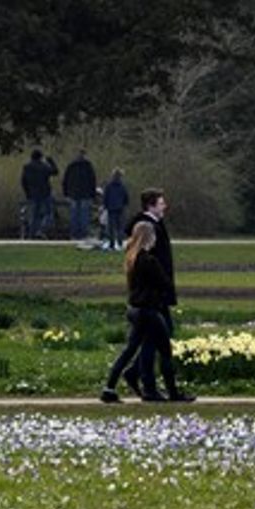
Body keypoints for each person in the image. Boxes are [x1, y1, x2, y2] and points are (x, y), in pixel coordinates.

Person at [102, 218, 175, 402]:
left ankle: (109, 387)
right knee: (164, 350)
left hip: (135, 309)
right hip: (149, 310)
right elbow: (165, 283)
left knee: (131, 350)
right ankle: (170, 390)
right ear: (149, 238)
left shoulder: (131, 258)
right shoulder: (149, 261)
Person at [133, 189, 192, 401]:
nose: (164, 206)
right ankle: (150, 385)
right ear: (151, 205)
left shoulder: (153, 225)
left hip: (156, 295)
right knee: (158, 341)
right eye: (161, 203)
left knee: (153, 339)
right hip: (153, 297)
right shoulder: (146, 227)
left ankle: (136, 375)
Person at [61, 150, 99, 246]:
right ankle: (82, 233)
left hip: (73, 193)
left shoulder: (71, 166)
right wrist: (93, 194)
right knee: (84, 215)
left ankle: (74, 234)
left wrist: (66, 193)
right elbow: (92, 181)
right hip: (85, 194)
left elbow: (65, 180)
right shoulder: (88, 166)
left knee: (74, 215)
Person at [19, 149, 59, 239]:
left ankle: (32, 233)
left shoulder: (27, 167)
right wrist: (50, 161)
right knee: (48, 213)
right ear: (40, 157)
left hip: (33, 194)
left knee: (34, 215)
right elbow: (55, 171)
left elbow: (23, 181)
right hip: (45, 193)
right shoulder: (44, 167)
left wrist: (27, 193)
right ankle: (41, 230)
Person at [101, 168, 130, 251]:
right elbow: (126, 197)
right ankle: (120, 243)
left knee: (111, 228)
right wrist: (124, 204)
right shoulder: (122, 186)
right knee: (120, 227)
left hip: (111, 209)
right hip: (120, 208)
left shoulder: (108, 186)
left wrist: (105, 206)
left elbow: (105, 197)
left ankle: (112, 244)